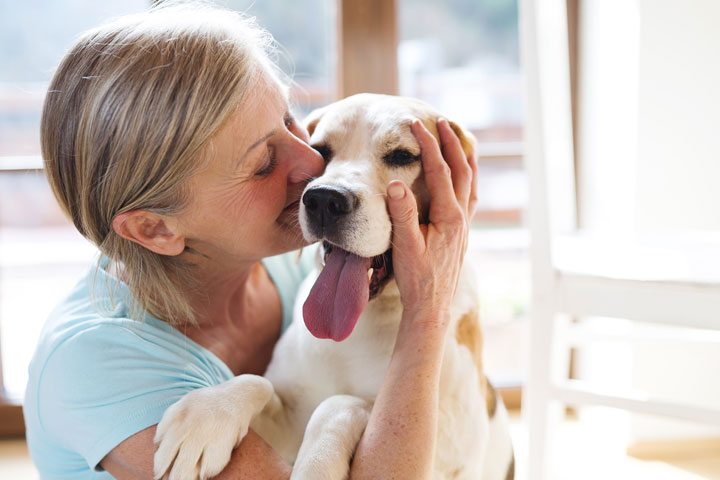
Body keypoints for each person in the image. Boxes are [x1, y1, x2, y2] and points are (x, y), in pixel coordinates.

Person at [23, 3, 477, 479]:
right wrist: (428, 313)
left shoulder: (296, 267)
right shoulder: (97, 368)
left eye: (289, 123)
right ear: (156, 228)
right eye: (262, 162)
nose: (312, 167)